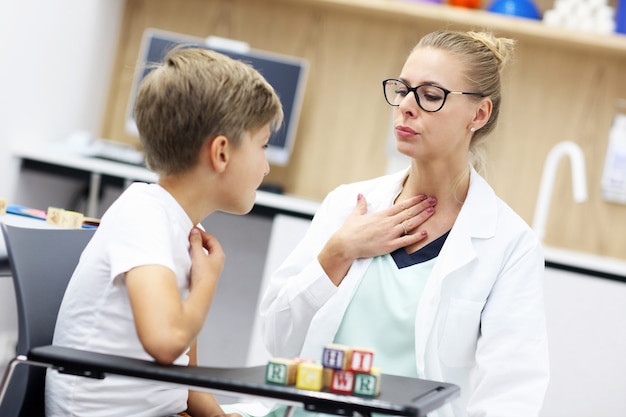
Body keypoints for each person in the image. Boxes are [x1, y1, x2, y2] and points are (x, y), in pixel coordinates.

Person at [259, 30, 549, 417]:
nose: (405, 107)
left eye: (430, 96)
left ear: (478, 115)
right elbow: (278, 341)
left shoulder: (509, 244)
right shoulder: (348, 205)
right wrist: (338, 252)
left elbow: (511, 393)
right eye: (402, 89)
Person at [45, 46, 283, 417]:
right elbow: (167, 342)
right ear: (221, 153)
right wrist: (206, 281)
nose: (267, 167)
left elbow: (184, 374)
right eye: (263, 146)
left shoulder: (182, 227)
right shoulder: (143, 216)